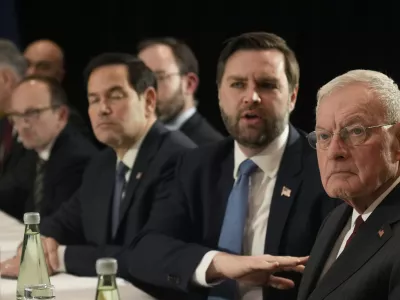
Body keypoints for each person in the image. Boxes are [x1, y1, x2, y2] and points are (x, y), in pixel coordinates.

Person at [129, 32, 339, 300]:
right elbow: (145, 251)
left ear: (293, 96)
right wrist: (218, 264)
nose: (251, 97)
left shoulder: (323, 167)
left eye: (267, 84)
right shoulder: (194, 165)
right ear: (219, 94)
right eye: (238, 84)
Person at [0, 53, 196, 298]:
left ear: (148, 100)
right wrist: (39, 242)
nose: (102, 109)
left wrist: (60, 257)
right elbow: (62, 222)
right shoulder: (102, 163)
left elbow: (147, 257)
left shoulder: (178, 158)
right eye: (93, 99)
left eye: (114, 96)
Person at [297, 69, 400, 300]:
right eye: (324, 136)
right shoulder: (337, 218)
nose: (334, 151)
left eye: (355, 132)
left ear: (397, 140)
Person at [0, 75, 97, 219]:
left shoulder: (77, 160)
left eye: (33, 113)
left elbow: (59, 223)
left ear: (61, 115)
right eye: (17, 115)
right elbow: (10, 193)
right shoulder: (33, 149)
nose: (23, 124)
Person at [138, 37, 224, 145]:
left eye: (159, 77)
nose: (147, 91)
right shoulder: (132, 143)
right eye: (141, 80)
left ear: (189, 84)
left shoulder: (212, 149)